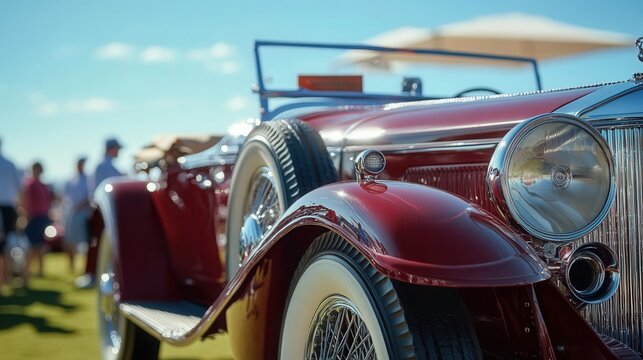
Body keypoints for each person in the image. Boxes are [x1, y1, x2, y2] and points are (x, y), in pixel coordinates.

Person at [76, 138, 124, 289]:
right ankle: (92, 274)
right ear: (111, 149)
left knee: (101, 242)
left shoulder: (105, 166)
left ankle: (96, 274)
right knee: (98, 242)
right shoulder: (104, 166)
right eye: (117, 148)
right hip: (102, 209)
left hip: (102, 209)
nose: (119, 152)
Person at [23, 162, 52, 281]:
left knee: (40, 246)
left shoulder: (44, 186)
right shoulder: (30, 184)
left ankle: (40, 272)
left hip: (43, 217)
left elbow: (48, 202)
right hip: (33, 218)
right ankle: (26, 272)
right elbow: (26, 202)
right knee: (31, 246)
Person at [62, 157, 90, 273]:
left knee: (84, 242)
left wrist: (81, 206)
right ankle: (71, 266)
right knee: (69, 241)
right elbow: (66, 197)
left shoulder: (88, 179)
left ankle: (86, 267)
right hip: (71, 213)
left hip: (83, 213)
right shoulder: (71, 179)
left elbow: (89, 196)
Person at [0, 139, 21, 287]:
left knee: (6, 244)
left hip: (7, 209)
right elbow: (19, 190)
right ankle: (6, 276)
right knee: (7, 244)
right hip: (8, 209)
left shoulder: (10, 164)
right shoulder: (10, 165)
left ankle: (5, 276)